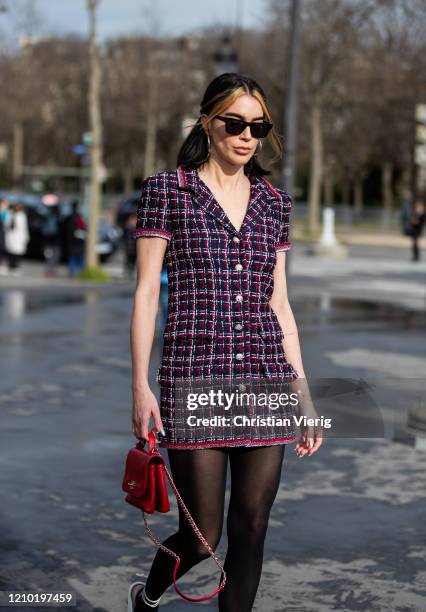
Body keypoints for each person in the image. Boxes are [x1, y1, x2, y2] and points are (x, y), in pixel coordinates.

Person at [129, 73, 322, 612]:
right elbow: (147, 293)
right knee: (202, 539)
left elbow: (280, 307)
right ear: (207, 121)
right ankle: (145, 597)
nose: (246, 136)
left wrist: (303, 396)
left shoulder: (274, 204)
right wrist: (140, 387)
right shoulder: (169, 190)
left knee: (253, 526)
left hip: (264, 376)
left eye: (257, 126)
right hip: (195, 376)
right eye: (234, 123)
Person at [4, 202, 29, 275]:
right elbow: (7, 224)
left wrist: (26, 237)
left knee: (17, 253)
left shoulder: (22, 216)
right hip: (11, 236)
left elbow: (24, 227)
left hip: (19, 237)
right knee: (10, 252)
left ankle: (15, 267)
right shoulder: (10, 214)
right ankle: (10, 266)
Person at [65, 200, 86, 277]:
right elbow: (84, 228)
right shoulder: (79, 216)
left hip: (71, 241)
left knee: (72, 257)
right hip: (79, 240)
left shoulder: (69, 217)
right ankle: (82, 273)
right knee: (80, 257)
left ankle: (72, 273)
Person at [42, 203, 61, 276]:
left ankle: (49, 271)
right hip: (54, 240)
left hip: (50, 240)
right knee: (53, 256)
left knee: (50, 256)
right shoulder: (55, 217)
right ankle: (50, 271)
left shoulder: (49, 217)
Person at [123, 211, 137, 279]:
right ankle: (128, 272)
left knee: (131, 261)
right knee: (129, 260)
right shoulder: (129, 227)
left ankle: (129, 272)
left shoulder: (128, 227)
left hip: (132, 247)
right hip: (130, 247)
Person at [0, 197, 10, 274]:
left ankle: (2, 264)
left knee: (3, 248)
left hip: (4, 233)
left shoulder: (7, 212)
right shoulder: (3, 212)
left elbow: (8, 223)